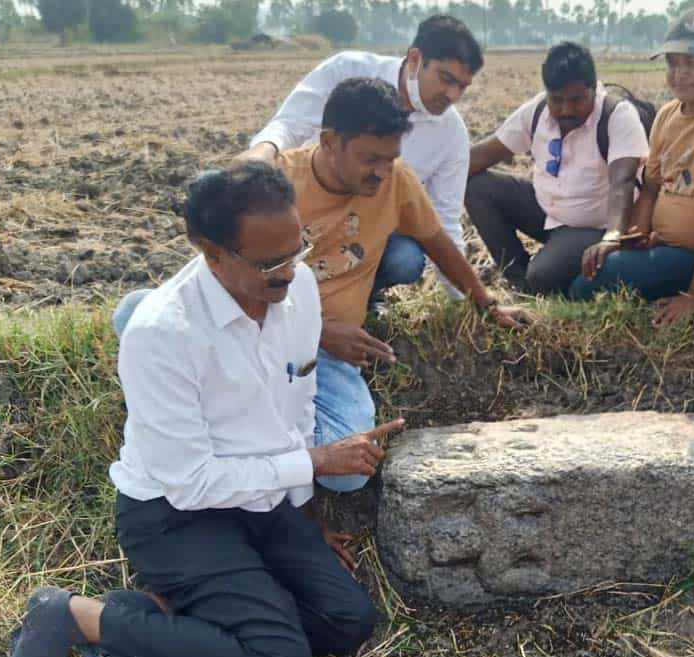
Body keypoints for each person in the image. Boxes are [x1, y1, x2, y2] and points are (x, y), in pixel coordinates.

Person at [6, 162, 402, 657]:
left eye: (296, 250)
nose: (288, 271)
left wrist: (305, 515)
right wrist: (316, 462)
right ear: (213, 254)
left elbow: (296, 406)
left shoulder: (296, 286)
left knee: (349, 621)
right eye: (268, 263)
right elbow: (190, 482)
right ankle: (71, 615)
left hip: (261, 501)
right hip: (176, 516)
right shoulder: (162, 333)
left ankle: (156, 623)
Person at [274, 77, 534, 493]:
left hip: (331, 357)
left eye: (390, 158)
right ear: (329, 141)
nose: (381, 172)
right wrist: (319, 330)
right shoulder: (277, 185)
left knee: (353, 476)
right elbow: (241, 288)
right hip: (267, 341)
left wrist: (486, 304)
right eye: (369, 158)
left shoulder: (396, 180)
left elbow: (438, 243)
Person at [236, 15, 482, 300]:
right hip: (307, 210)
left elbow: (445, 224)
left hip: (369, 228)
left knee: (405, 259)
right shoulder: (349, 70)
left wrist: (470, 302)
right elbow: (291, 123)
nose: (452, 94)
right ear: (415, 59)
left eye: (462, 87)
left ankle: (361, 295)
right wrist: (262, 154)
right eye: (446, 79)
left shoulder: (451, 134)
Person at [570, 6, 694, 325]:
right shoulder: (668, 114)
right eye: (672, 63)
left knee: (591, 281)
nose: (679, 74)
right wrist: (635, 237)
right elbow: (651, 189)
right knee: (585, 256)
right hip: (663, 245)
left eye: (692, 63)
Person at [465, 41, 649, 295]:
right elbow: (485, 153)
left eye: (576, 100)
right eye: (557, 100)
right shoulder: (538, 110)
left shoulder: (616, 115)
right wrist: (422, 179)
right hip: (547, 211)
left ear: (594, 89)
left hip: (592, 226)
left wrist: (613, 235)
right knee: (478, 187)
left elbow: (623, 182)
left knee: (543, 275)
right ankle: (518, 281)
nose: (566, 109)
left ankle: (539, 282)